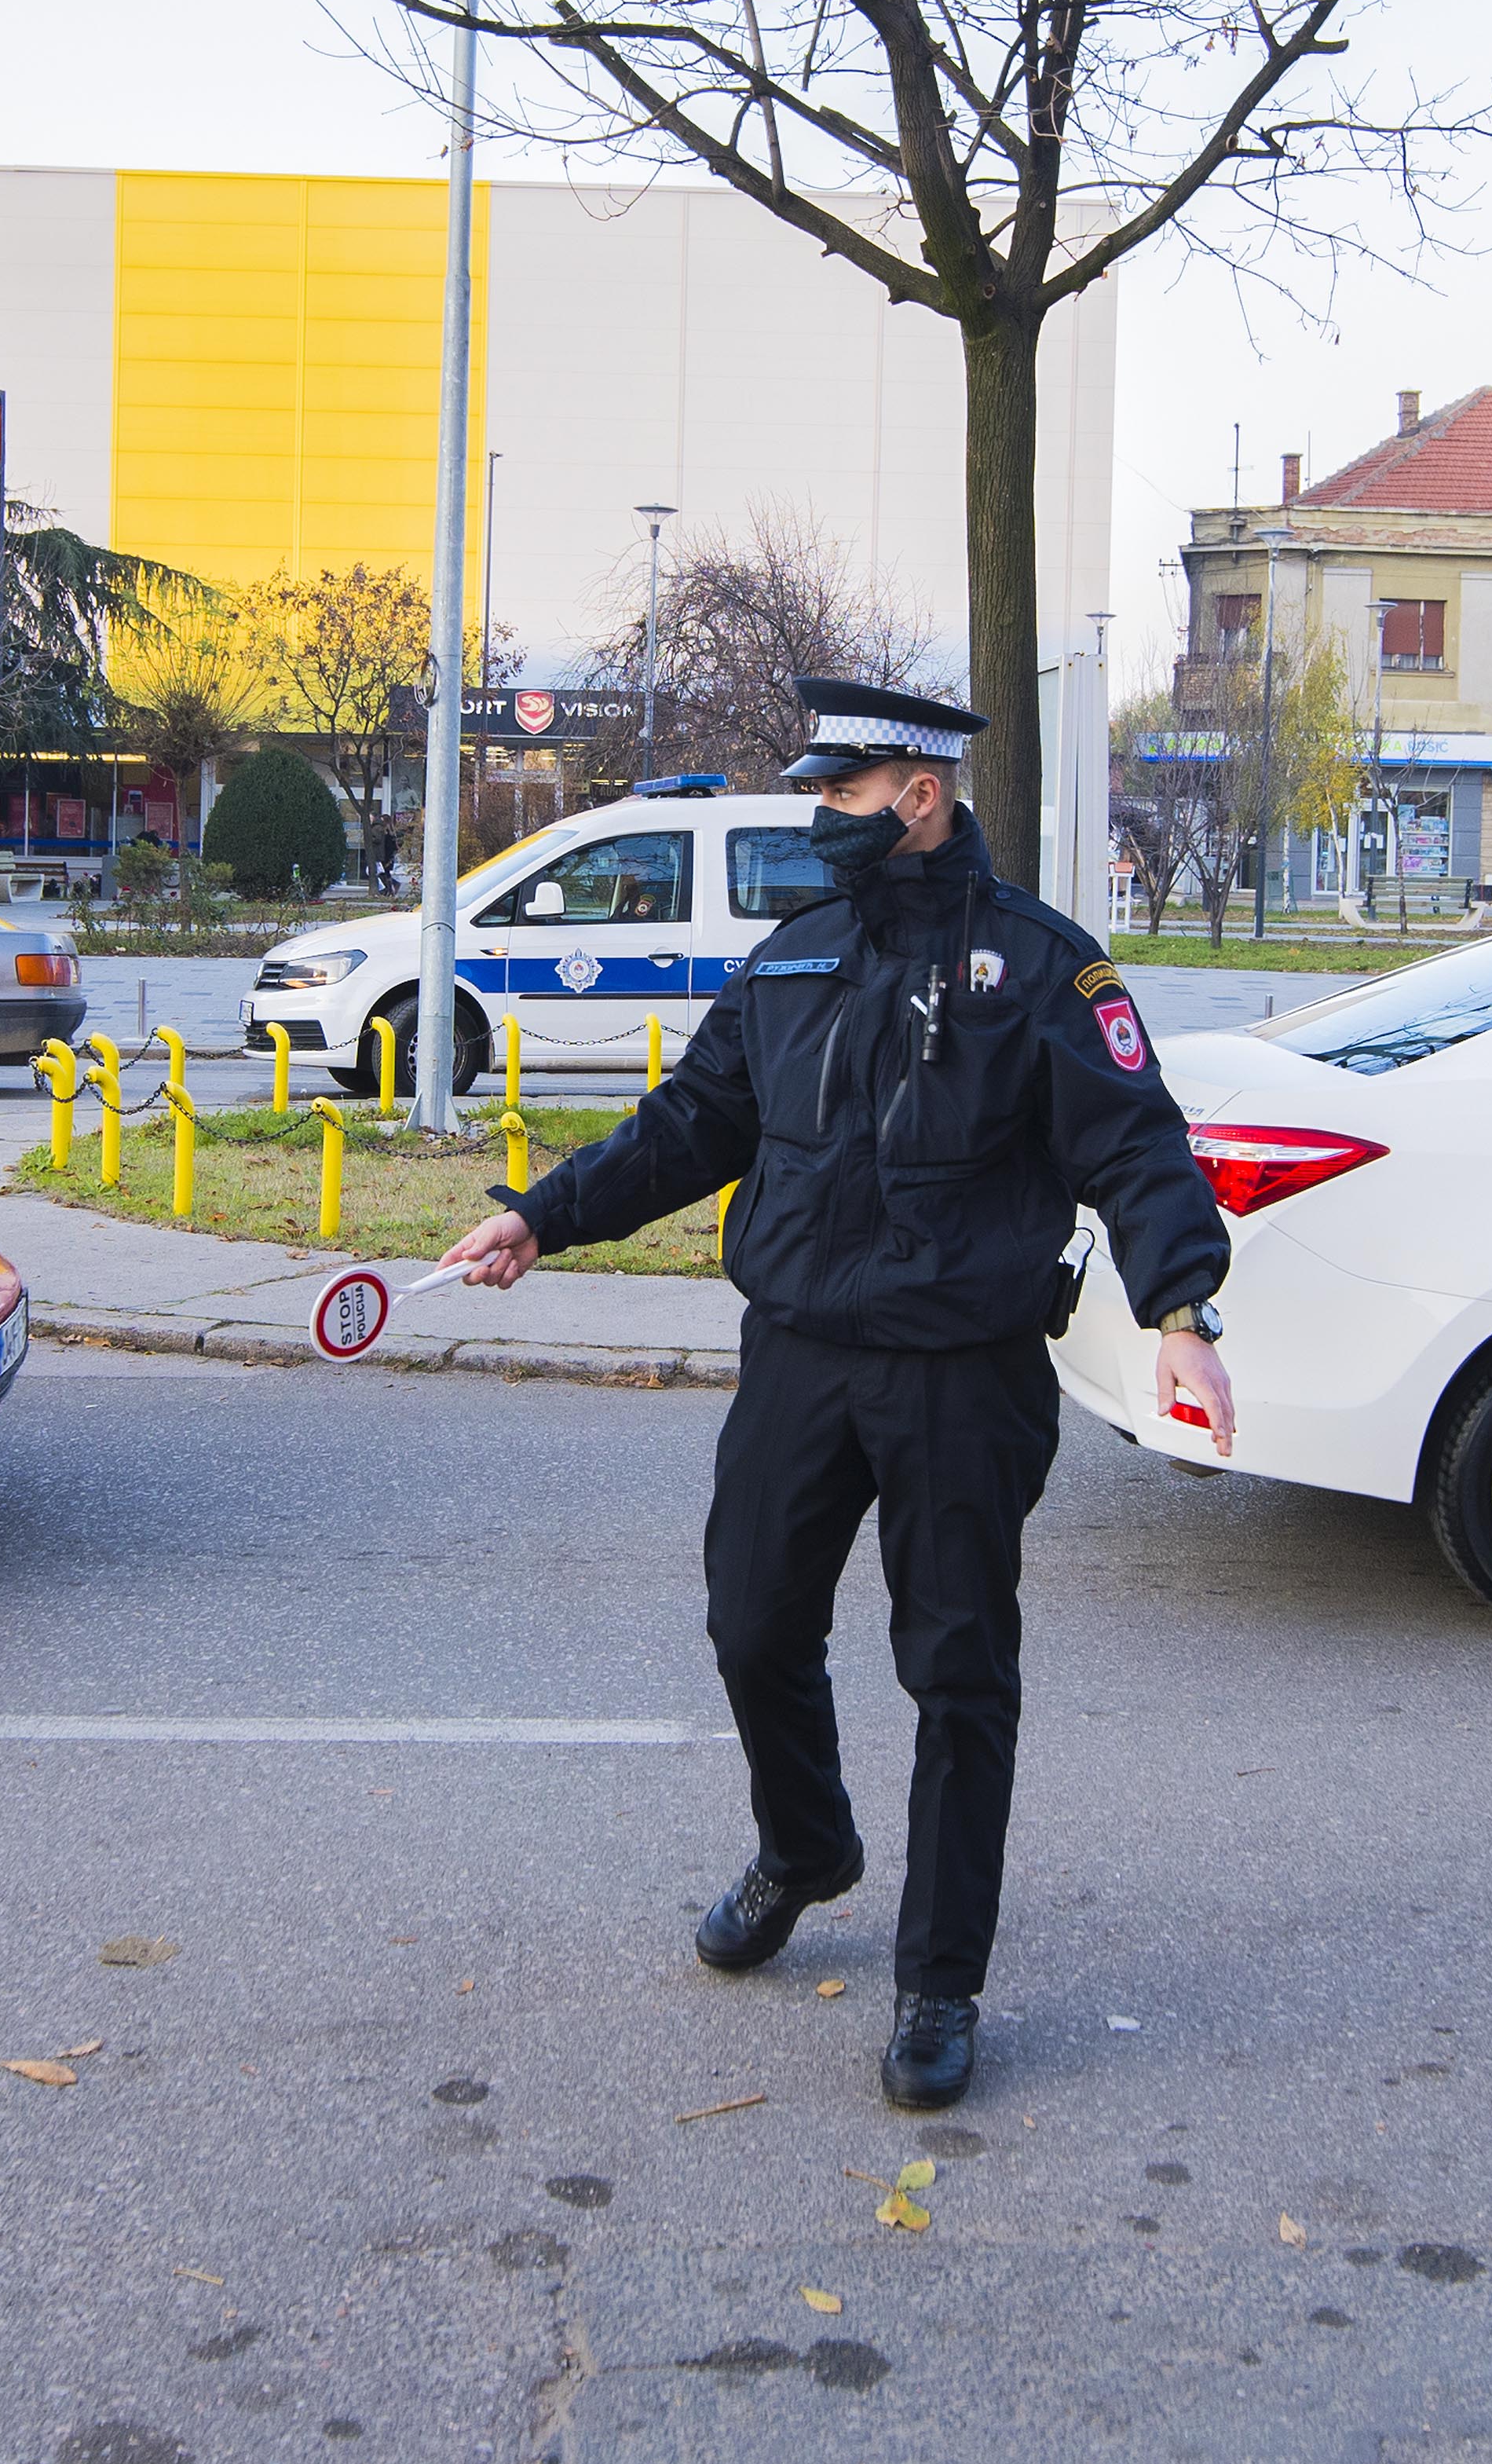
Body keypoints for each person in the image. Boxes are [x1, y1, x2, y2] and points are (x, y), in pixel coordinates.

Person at [432, 677, 1238, 2112]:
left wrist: (1181, 1310)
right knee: (751, 1621)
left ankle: (940, 1979)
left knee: (958, 1677)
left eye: (843, 795)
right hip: (800, 1355)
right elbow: (694, 1124)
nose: (823, 819)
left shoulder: (1046, 968)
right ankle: (806, 1849)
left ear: (919, 797)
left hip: (963, 1377)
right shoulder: (795, 960)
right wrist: (543, 1217)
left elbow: (1137, 1144)